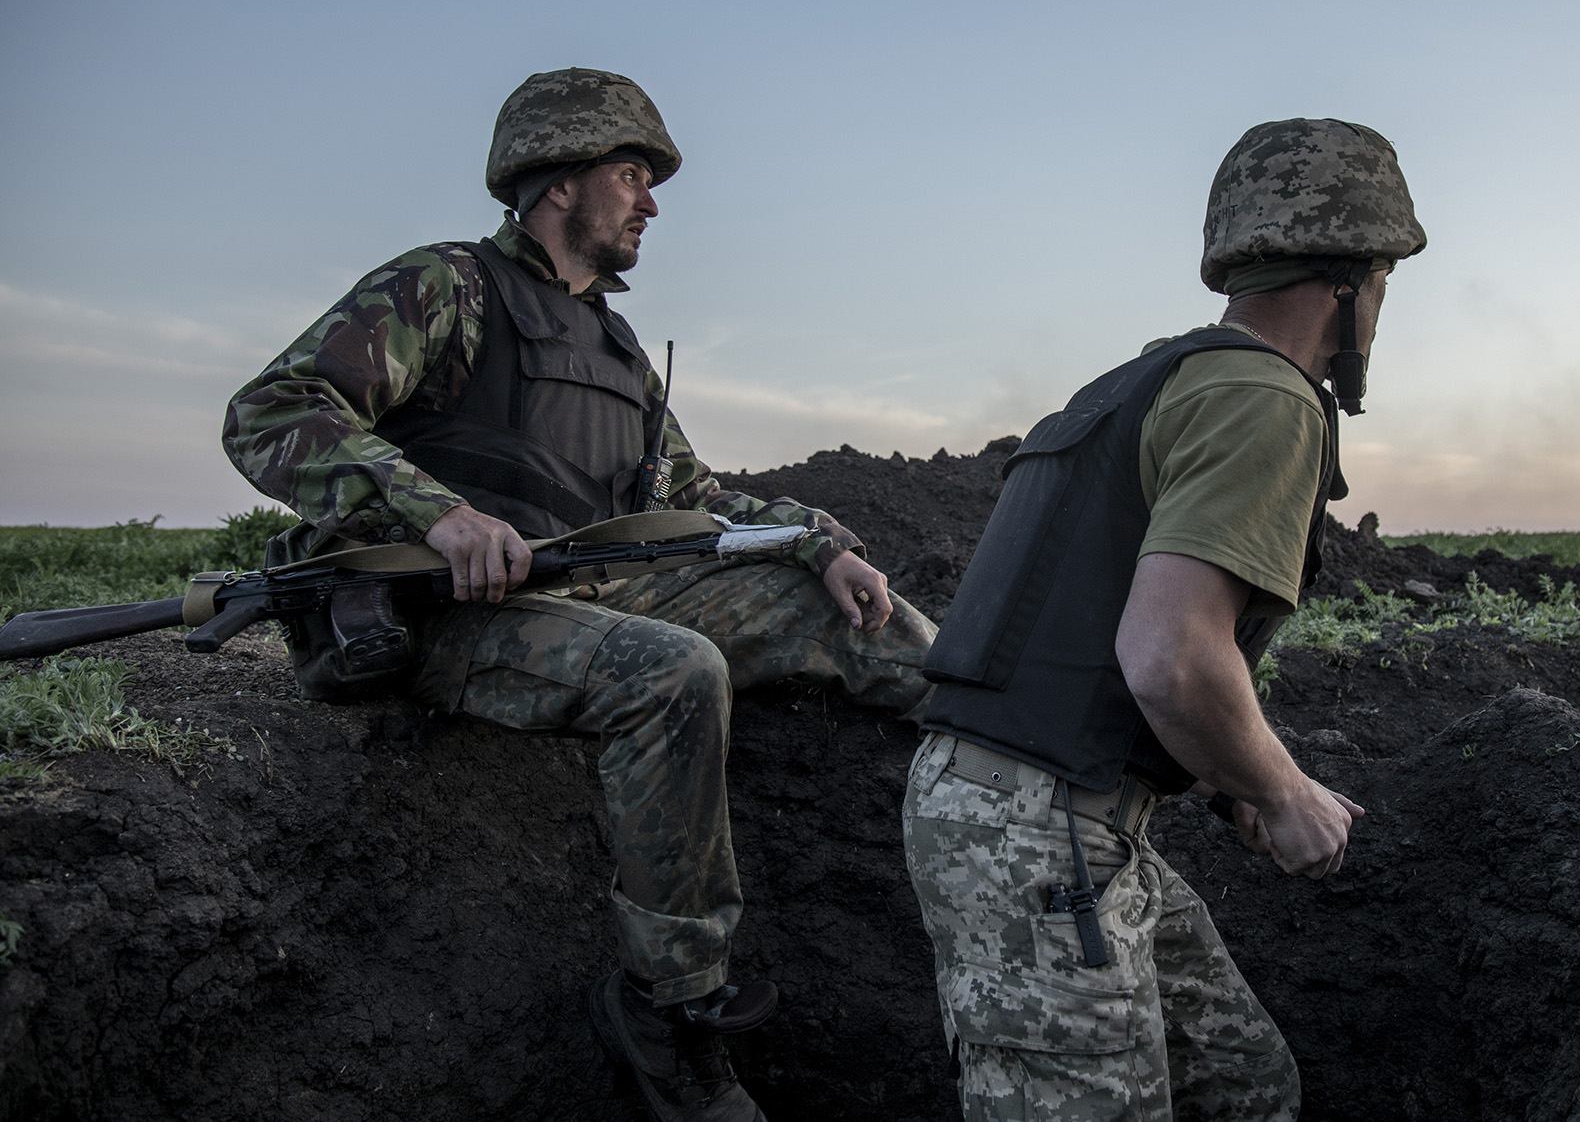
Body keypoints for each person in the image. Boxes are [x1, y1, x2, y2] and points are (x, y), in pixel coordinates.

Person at [222, 67, 936, 1122]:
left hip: (597, 597)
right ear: (559, 180)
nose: (650, 201)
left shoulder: (618, 348)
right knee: (672, 671)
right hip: (455, 619)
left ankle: (1032, 763)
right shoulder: (446, 285)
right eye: (631, 173)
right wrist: (436, 513)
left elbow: (691, 496)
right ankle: (673, 1008)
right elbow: (272, 410)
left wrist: (816, 541)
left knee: (855, 615)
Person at [903, 117, 1428, 1119]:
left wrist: (1229, 778)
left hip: (1037, 805)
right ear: (1351, 281)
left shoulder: (1143, 382)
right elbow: (1167, 655)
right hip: (1036, 827)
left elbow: (1082, 619)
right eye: (1385, 284)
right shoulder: (1266, 399)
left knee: (1239, 1080)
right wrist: (1281, 795)